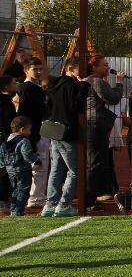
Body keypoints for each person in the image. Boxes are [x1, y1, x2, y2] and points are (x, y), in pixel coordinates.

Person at [41, 58, 87, 217]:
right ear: (70, 68)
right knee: (74, 170)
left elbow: (49, 106)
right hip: (67, 131)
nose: (83, 73)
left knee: (56, 168)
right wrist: (84, 87)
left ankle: (50, 204)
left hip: (54, 130)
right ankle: (64, 204)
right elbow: (76, 106)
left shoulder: (55, 84)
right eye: (80, 69)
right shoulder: (71, 85)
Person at [85, 55, 125, 205]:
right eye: (104, 65)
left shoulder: (90, 80)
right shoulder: (97, 81)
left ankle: (94, 196)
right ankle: (88, 201)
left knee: (95, 160)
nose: (108, 67)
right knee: (95, 162)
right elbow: (113, 98)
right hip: (95, 124)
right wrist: (119, 83)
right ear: (94, 67)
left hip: (92, 123)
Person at [17, 57, 49, 211]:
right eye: (34, 69)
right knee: (39, 164)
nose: (38, 72)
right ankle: (36, 197)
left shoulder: (34, 88)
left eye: (40, 69)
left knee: (38, 164)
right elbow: (23, 111)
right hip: (34, 131)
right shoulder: (27, 89)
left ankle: (35, 195)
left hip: (36, 130)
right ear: (26, 70)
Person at [2, 116, 39, 216]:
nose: (30, 132)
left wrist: (2, 166)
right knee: (24, 189)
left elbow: (2, 154)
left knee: (15, 189)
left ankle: (13, 209)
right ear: (22, 129)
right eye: (29, 129)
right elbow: (27, 154)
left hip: (10, 170)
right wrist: (36, 159)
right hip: (22, 169)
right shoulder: (24, 141)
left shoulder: (7, 140)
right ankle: (18, 211)